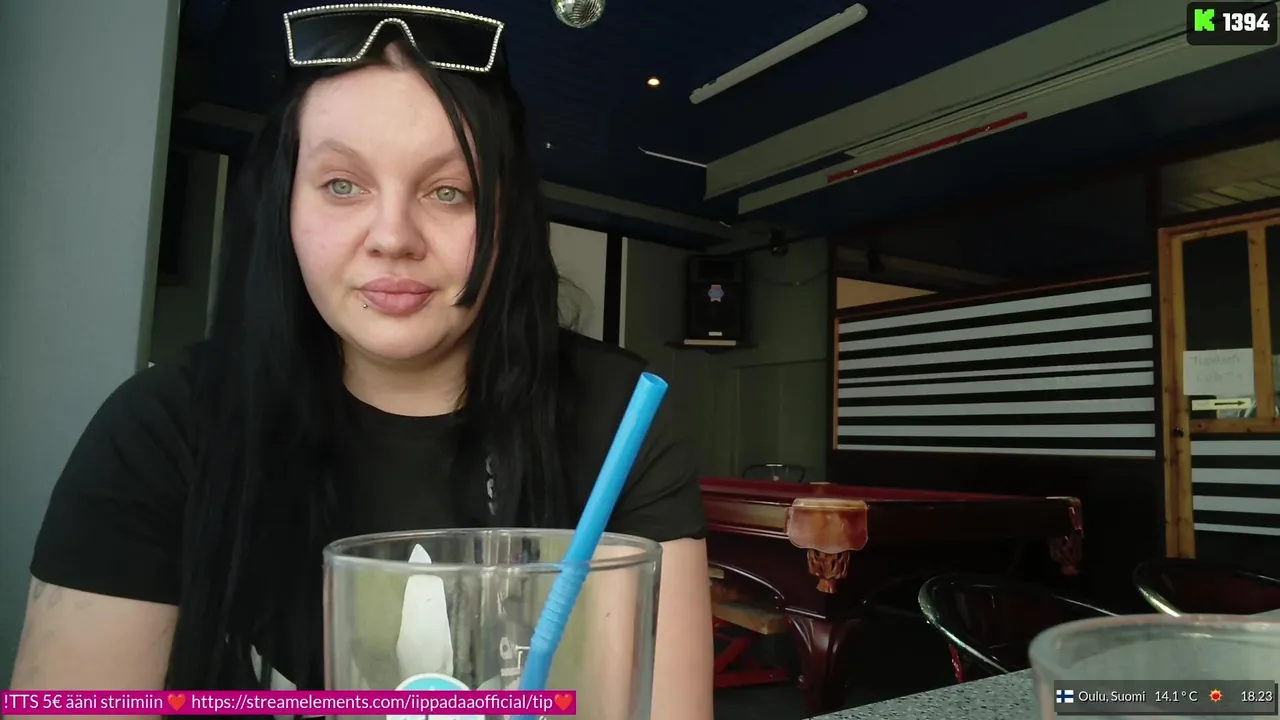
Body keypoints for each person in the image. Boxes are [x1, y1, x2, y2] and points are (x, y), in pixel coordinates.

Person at [10, 4, 713, 719]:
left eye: (449, 191)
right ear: (284, 206)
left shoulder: (618, 419)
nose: (393, 236)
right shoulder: (161, 429)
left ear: (508, 219)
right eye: (342, 185)